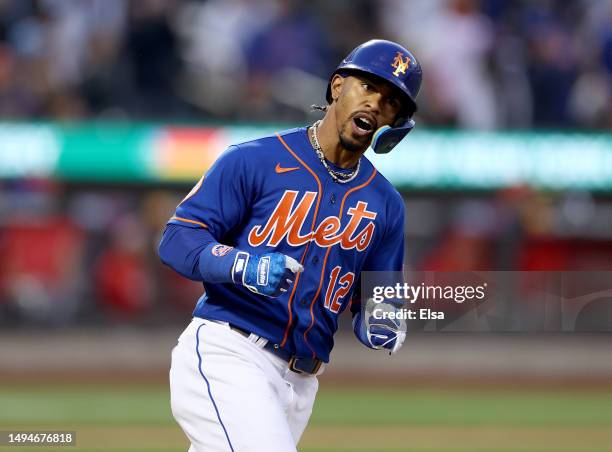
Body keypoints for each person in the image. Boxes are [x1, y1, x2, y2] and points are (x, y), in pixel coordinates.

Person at [158, 39, 422, 452]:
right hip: (230, 352)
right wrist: (241, 264)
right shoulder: (254, 160)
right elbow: (177, 239)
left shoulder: (386, 203)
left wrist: (383, 319)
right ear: (337, 87)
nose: (375, 103)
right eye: (368, 87)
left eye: (390, 101)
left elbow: (380, 297)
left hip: (302, 383)